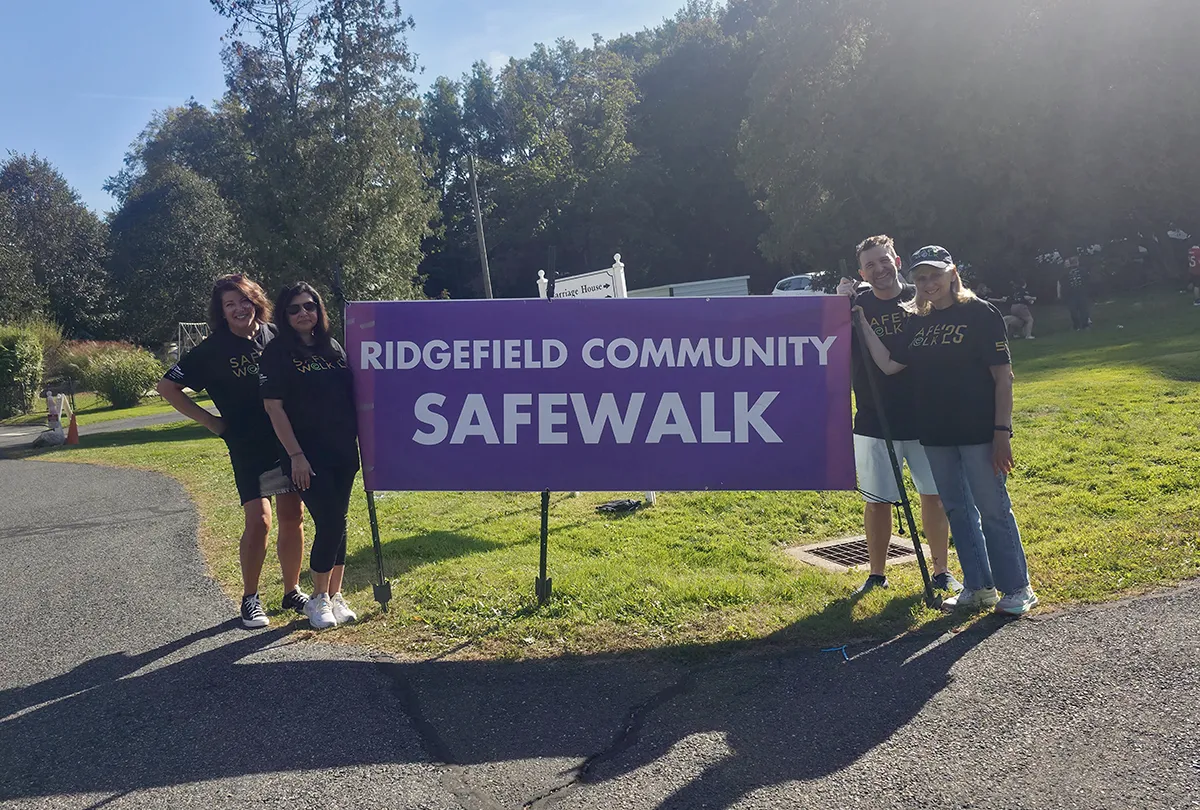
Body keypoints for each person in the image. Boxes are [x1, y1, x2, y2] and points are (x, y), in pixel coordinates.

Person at [853, 245, 1038, 616]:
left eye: (935, 275)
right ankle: (978, 587)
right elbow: (889, 365)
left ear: (953, 273)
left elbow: (1003, 377)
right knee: (958, 510)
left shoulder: (980, 313)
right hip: (936, 434)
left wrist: (1002, 431)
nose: (929, 283)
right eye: (922, 278)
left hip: (978, 432)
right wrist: (861, 323)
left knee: (993, 508)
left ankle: (1017, 587)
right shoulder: (918, 320)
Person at [157, 274, 308, 628]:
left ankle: (292, 591)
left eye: (244, 300)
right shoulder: (210, 351)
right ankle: (250, 598)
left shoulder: (277, 336)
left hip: (286, 439)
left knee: (293, 515)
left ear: (256, 301)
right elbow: (167, 387)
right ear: (221, 312)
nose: (240, 308)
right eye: (230, 304)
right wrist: (213, 423)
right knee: (259, 521)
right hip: (246, 444)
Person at [836, 235, 957, 595]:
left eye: (884, 261)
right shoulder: (853, 305)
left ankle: (941, 571)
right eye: (870, 265)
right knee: (876, 501)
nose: (879, 269)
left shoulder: (922, 298)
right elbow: (819, 333)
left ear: (898, 261)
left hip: (924, 415)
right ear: (861, 272)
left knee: (933, 495)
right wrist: (837, 298)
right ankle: (876, 575)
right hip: (874, 419)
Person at [260, 282, 360, 630]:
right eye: (295, 308)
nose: (304, 313)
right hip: (305, 455)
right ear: (284, 315)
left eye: (310, 306)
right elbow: (274, 409)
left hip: (342, 450)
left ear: (319, 310)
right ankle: (317, 600)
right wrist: (296, 455)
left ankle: (335, 595)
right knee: (330, 521)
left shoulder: (332, 347)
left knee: (340, 522)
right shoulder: (277, 353)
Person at [1061, 255, 1091, 330]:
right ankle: (1079, 325)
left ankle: (1082, 325)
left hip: (1079, 293)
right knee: (1077, 310)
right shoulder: (1066, 273)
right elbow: (1064, 284)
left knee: (1081, 310)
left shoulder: (1082, 270)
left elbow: (1087, 280)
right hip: (1073, 294)